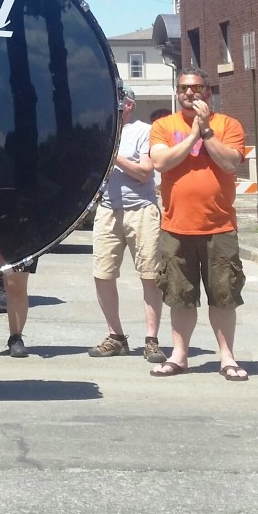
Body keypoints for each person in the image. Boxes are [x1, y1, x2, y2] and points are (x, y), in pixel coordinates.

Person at [148, 68, 248, 380]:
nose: (189, 93)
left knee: (223, 295)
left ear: (208, 92)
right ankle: (180, 357)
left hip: (219, 227)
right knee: (179, 296)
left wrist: (205, 132)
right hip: (176, 227)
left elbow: (230, 162)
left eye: (196, 88)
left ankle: (227, 358)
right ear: (177, 92)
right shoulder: (164, 125)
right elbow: (160, 162)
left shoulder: (227, 125)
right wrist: (192, 134)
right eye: (183, 88)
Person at [88, 87, 166, 364]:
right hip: (108, 210)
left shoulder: (144, 131)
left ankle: (152, 340)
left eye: (118, 104)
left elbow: (145, 172)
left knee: (149, 275)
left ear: (129, 105)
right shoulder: (100, 130)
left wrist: (112, 155)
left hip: (142, 210)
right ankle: (115, 336)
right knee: (103, 274)